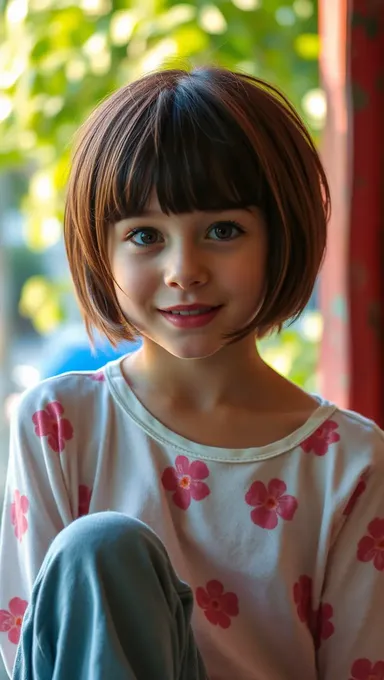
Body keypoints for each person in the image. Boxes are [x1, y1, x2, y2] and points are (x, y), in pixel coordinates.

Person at [0, 66, 383, 680]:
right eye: (145, 235)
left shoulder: (350, 463)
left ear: (281, 237)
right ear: (102, 253)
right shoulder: (58, 424)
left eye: (223, 230)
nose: (184, 269)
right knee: (100, 549)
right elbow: (33, 651)